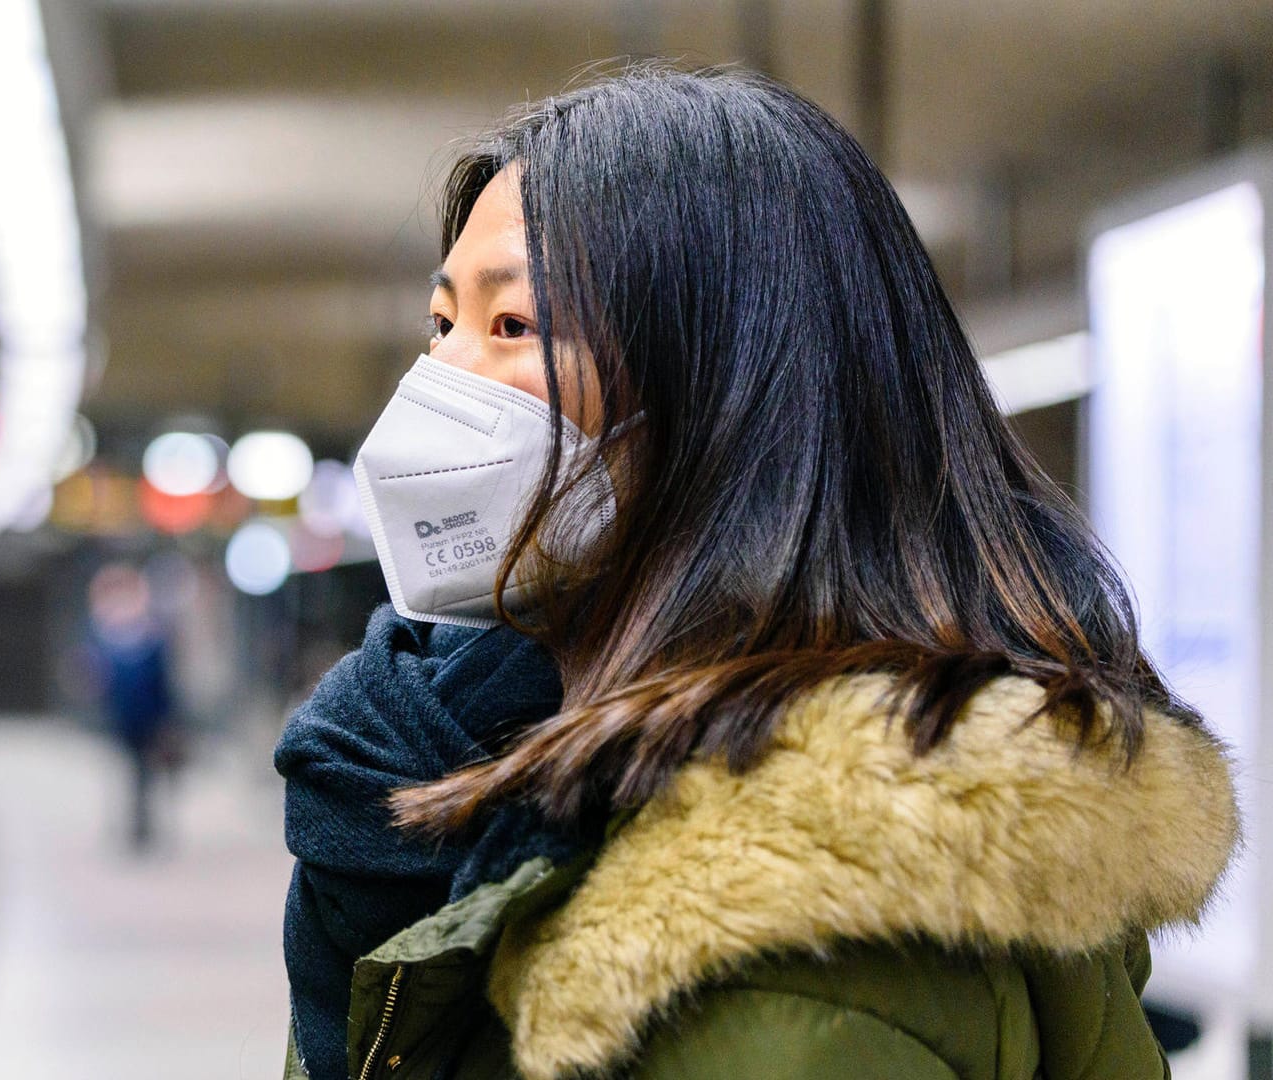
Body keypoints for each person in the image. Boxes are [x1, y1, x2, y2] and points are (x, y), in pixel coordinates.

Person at [276, 64, 1239, 1080]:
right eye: (441, 326)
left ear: (730, 392)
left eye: (512, 325)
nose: (440, 380)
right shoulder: (436, 757)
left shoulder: (801, 956)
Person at [86, 561, 174, 851]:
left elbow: (163, 684)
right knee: (128, 773)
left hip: (148, 720)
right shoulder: (104, 637)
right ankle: (133, 823)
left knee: (145, 775)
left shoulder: (152, 637)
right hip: (120, 720)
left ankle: (143, 824)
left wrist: (168, 720)